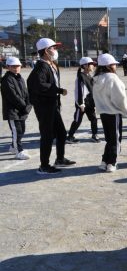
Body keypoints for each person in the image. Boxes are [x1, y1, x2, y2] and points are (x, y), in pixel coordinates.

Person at [27, 38, 76, 174]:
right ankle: (44, 166)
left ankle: (60, 159)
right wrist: (58, 90)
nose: (56, 50)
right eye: (53, 48)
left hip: (52, 105)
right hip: (44, 107)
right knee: (47, 135)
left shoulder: (51, 64)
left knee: (61, 133)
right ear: (45, 51)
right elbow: (37, 84)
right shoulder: (41, 66)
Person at [92, 53, 127, 173]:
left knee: (109, 139)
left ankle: (104, 161)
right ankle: (112, 162)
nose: (115, 66)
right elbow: (119, 97)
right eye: (113, 64)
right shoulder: (112, 78)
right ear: (108, 66)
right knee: (116, 139)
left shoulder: (96, 79)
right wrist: (125, 109)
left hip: (103, 112)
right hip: (113, 112)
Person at [1, 56, 32, 160]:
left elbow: (26, 93)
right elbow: (13, 96)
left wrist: (28, 105)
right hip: (12, 111)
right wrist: (24, 106)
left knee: (22, 130)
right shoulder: (6, 79)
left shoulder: (20, 77)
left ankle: (13, 147)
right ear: (8, 67)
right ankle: (18, 151)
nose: (16, 68)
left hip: (21, 110)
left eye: (18, 66)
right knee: (17, 131)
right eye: (13, 66)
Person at [66, 57, 100, 144]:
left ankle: (94, 135)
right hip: (82, 103)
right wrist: (81, 104)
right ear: (85, 66)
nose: (93, 66)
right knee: (77, 120)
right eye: (91, 64)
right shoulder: (81, 77)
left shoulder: (89, 76)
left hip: (90, 103)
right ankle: (70, 136)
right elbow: (79, 91)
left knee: (94, 119)